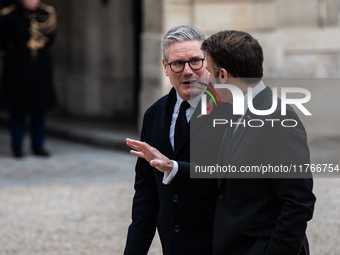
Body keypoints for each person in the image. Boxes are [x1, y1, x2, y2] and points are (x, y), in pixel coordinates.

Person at [127, 30, 316, 255]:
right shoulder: (240, 111)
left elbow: (299, 202)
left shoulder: (277, 117)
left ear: (223, 75)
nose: (199, 75)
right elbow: (224, 178)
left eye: (203, 66)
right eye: (178, 63)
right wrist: (172, 167)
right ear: (165, 66)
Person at [124, 25, 229, 255]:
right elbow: (146, 195)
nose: (188, 71)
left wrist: (174, 168)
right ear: (165, 67)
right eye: (178, 63)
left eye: (195, 61)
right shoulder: (154, 115)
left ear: (208, 63)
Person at [0, 0, 57, 158]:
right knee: (18, 109)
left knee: (39, 108)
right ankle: (17, 147)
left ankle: (38, 146)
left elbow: (50, 39)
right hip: (18, 68)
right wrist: (13, 58)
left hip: (40, 68)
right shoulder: (10, 15)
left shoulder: (47, 13)